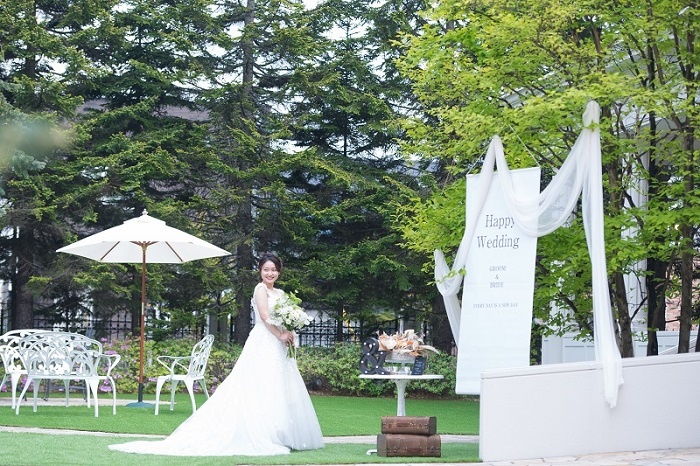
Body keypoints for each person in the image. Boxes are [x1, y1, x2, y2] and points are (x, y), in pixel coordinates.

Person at [109, 252, 325, 456]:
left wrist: (289, 332)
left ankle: (280, 433)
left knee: (278, 386)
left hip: (279, 344)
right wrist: (279, 334)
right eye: (266, 269)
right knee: (259, 384)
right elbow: (265, 316)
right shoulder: (260, 290)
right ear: (260, 271)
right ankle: (261, 433)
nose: (270, 273)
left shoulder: (281, 293)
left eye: (274, 270)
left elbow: (285, 317)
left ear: (279, 272)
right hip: (264, 341)